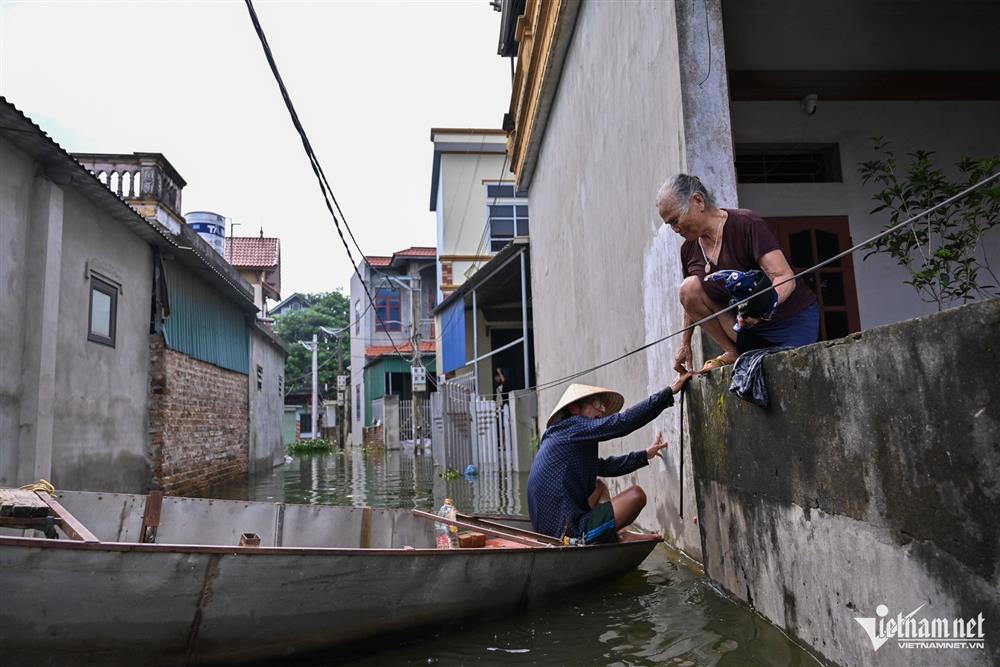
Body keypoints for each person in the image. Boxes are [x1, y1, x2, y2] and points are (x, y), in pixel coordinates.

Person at [655, 174, 820, 374]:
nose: (675, 229)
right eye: (669, 224)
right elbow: (688, 301)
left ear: (697, 201)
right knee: (688, 288)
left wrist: (764, 308)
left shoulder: (745, 223)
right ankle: (733, 351)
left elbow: (784, 276)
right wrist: (685, 343)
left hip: (790, 322)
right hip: (744, 331)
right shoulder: (688, 250)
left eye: (675, 220)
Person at [526, 373, 691, 543]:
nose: (603, 410)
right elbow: (622, 422)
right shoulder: (574, 427)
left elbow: (605, 467)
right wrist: (669, 392)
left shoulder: (563, 435)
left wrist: (644, 455)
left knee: (598, 486)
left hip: (550, 527)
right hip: (565, 533)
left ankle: (615, 533)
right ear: (575, 409)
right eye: (597, 404)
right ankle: (610, 538)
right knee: (637, 496)